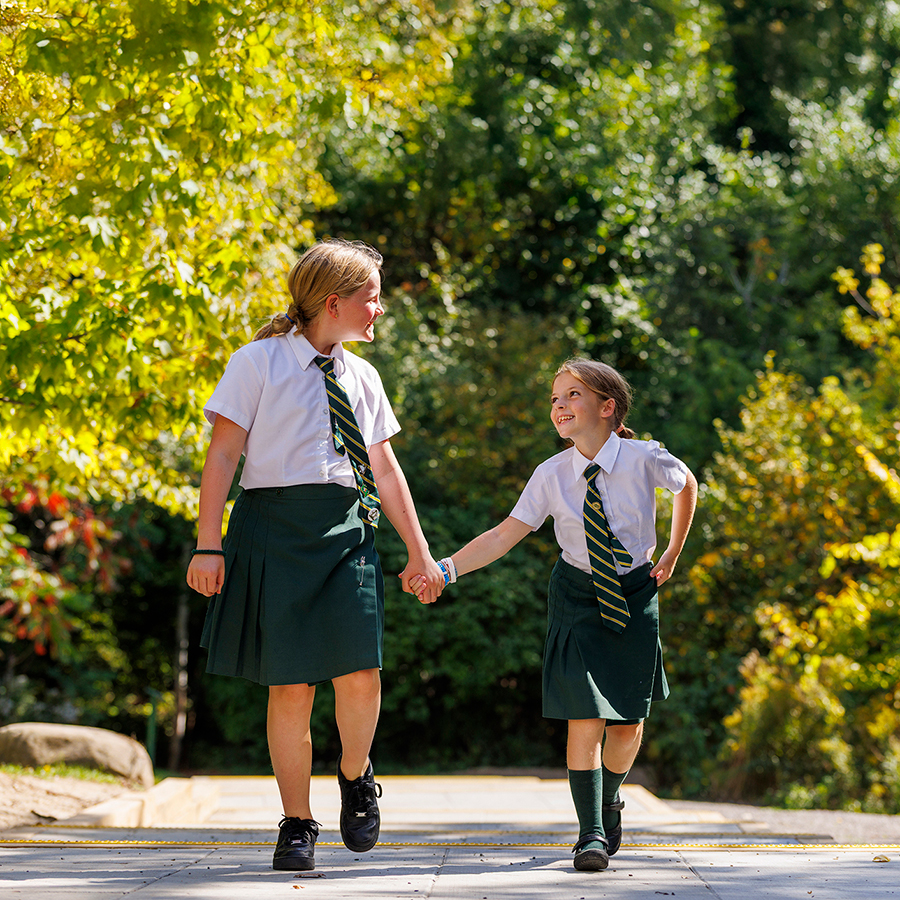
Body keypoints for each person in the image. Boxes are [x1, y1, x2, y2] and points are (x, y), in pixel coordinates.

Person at [186, 238, 445, 872]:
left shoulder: (363, 376)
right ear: (336, 301)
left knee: (360, 671)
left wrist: (421, 553)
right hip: (270, 530)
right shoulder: (257, 363)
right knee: (290, 686)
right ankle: (297, 823)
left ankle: (356, 777)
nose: (380, 309)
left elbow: (384, 467)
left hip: (347, 529)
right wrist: (208, 543)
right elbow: (222, 456)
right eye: (373, 297)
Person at [416, 358, 697, 872]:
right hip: (575, 596)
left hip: (634, 592)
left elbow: (687, 485)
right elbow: (505, 534)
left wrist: (673, 552)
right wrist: (447, 568)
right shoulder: (551, 474)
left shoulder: (643, 458)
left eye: (572, 395)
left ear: (607, 407)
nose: (560, 406)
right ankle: (589, 833)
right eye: (554, 398)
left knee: (628, 724)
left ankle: (609, 798)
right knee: (584, 713)